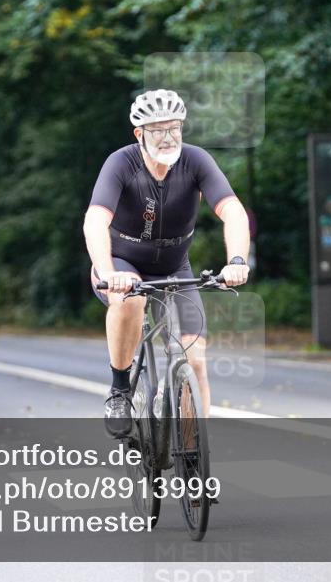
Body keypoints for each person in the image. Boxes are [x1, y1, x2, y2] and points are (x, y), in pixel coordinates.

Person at [83, 89, 250, 438]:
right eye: (157, 129)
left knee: (197, 360)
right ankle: (120, 390)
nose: (167, 136)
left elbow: (232, 210)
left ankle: (194, 456)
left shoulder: (196, 161)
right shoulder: (121, 163)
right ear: (139, 134)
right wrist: (107, 272)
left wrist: (237, 260)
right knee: (131, 301)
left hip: (176, 268)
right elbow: (95, 220)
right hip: (122, 263)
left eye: (174, 127)